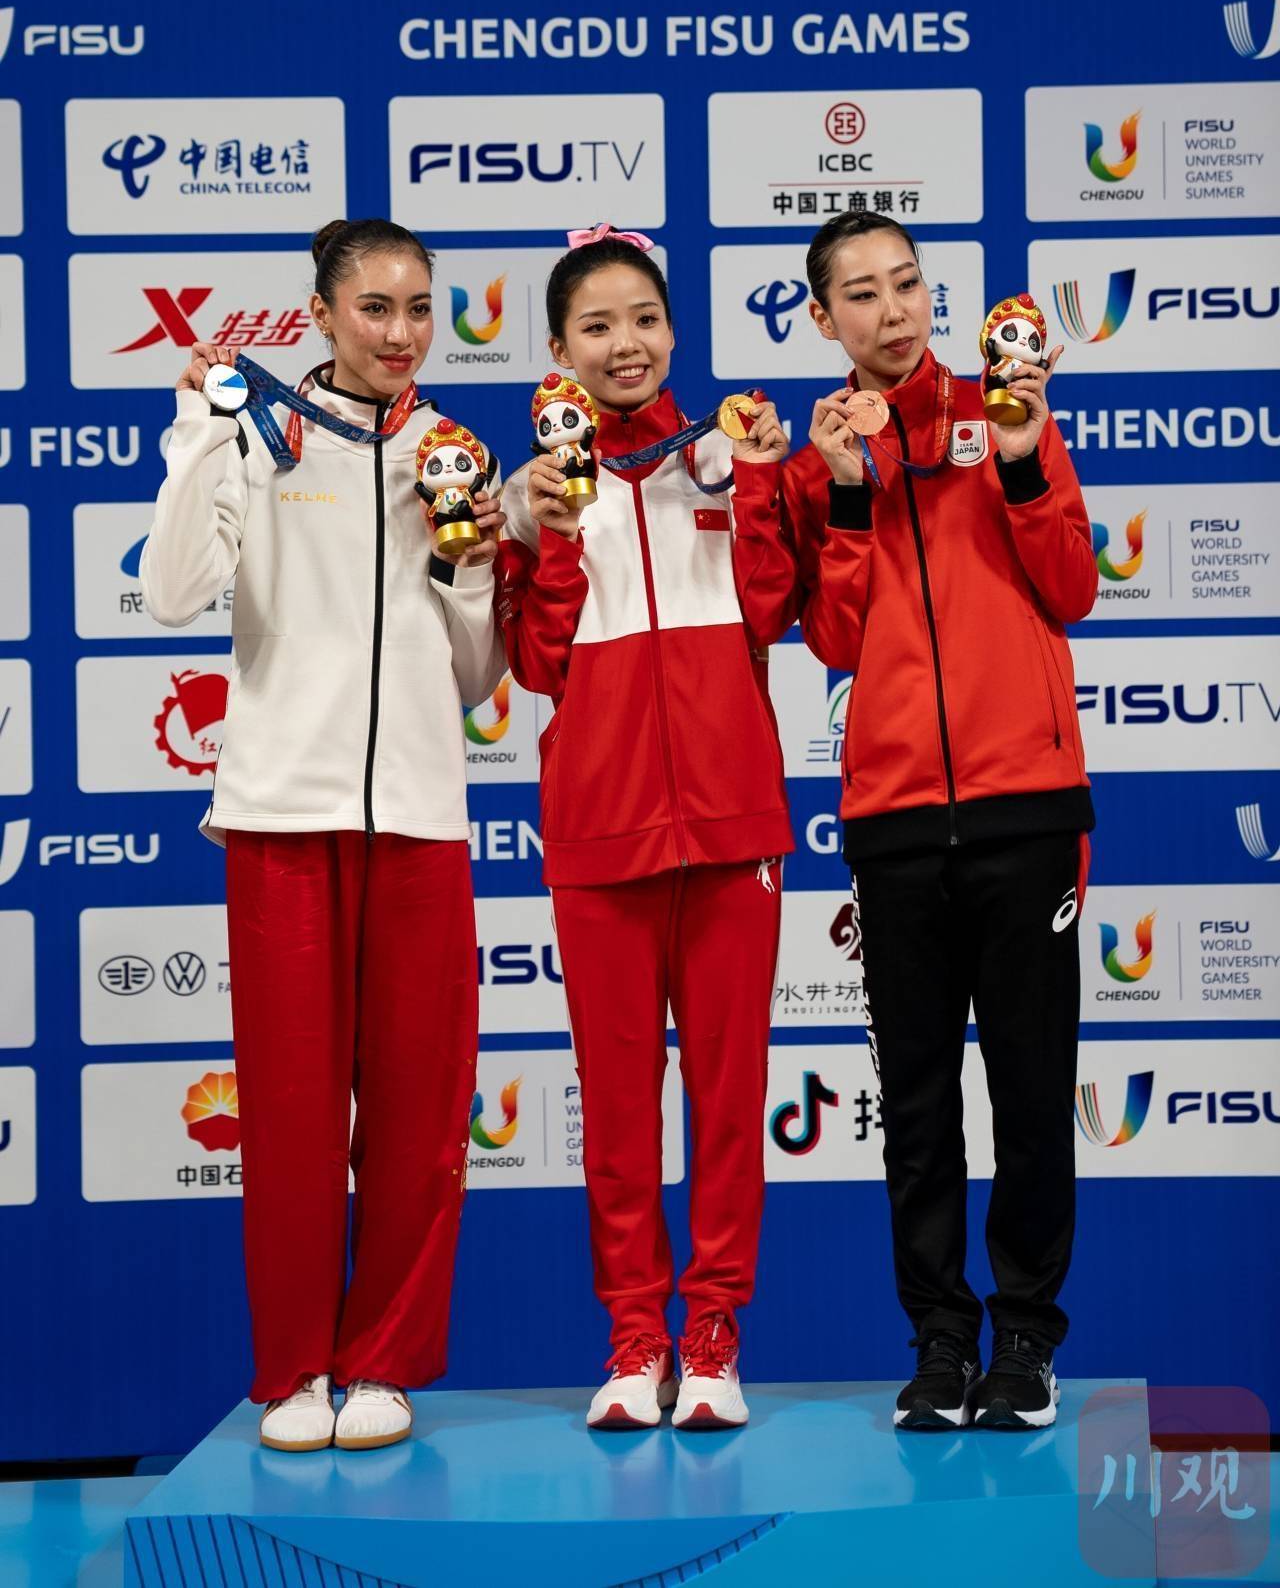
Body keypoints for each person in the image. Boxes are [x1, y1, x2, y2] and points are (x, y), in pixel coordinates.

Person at [141, 218, 505, 1453]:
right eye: (375, 307)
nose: (401, 333)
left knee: (417, 1113)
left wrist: (470, 563)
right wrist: (199, 429)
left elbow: (474, 674)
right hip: (281, 817)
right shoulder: (257, 427)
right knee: (293, 1110)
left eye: (419, 308)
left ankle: (385, 1361)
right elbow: (173, 591)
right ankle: (296, 1367)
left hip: (419, 815)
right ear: (320, 314)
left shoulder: (455, 450)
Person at [781, 210, 1096, 1432]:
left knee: (1030, 1091)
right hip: (896, 820)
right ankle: (937, 1341)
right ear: (823, 318)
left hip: (1026, 809)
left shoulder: (1006, 409)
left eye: (906, 283)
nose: (892, 310)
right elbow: (833, 638)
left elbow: (1071, 586)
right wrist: (845, 494)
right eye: (861, 293)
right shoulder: (821, 456)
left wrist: (1018, 460)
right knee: (914, 1109)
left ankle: (1024, 1339)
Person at [498, 225, 794, 1431]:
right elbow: (534, 663)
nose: (624, 344)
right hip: (599, 832)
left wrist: (755, 482)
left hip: (732, 824)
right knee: (616, 1109)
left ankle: (712, 1337)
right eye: (596, 325)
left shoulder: (722, 455)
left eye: (643, 320)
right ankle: (633, 1340)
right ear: (558, 347)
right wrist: (554, 532)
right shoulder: (529, 490)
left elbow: (770, 612)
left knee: (727, 1099)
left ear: (672, 330)